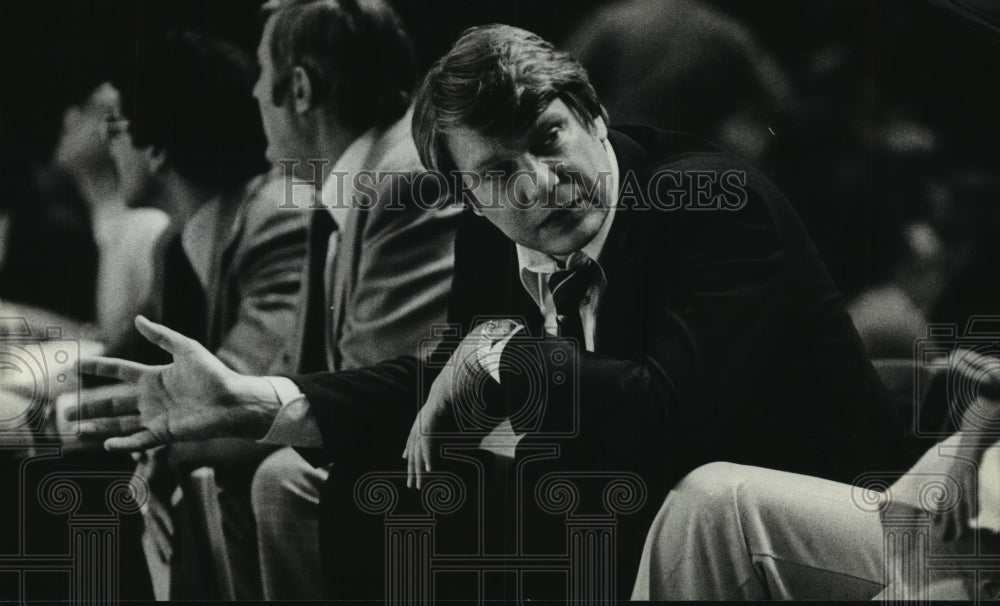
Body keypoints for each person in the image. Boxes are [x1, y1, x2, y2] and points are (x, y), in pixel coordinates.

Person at [74, 24, 914, 601]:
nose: (540, 185)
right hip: (633, 509)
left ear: (594, 116)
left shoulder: (712, 203)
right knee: (383, 484)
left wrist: (505, 350)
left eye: (549, 138)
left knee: (666, 496)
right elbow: (443, 381)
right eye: (499, 171)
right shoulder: (494, 232)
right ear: (466, 197)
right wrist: (255, 403)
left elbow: (664, 412)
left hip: (821, 519)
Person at [246, 0, 459, 599]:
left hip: (442, 464)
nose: (255, 95)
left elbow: (373, 392)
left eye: (262, 76)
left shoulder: (402, 177)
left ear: (302, 89)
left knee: (278, 480)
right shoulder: (353, 179)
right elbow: (307, 373)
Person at [103, 31, 308, 600]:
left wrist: (159, 453)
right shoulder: (173, 245)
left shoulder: (277, 217)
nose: (107, 147)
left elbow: (239, 397)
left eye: (115, 127)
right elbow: (111, 368)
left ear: (156, 145)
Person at [631, 347, 1000, 601]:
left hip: (961, 558)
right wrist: (970, 447)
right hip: (924, 513)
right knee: (711, 501)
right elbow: (990, 390)